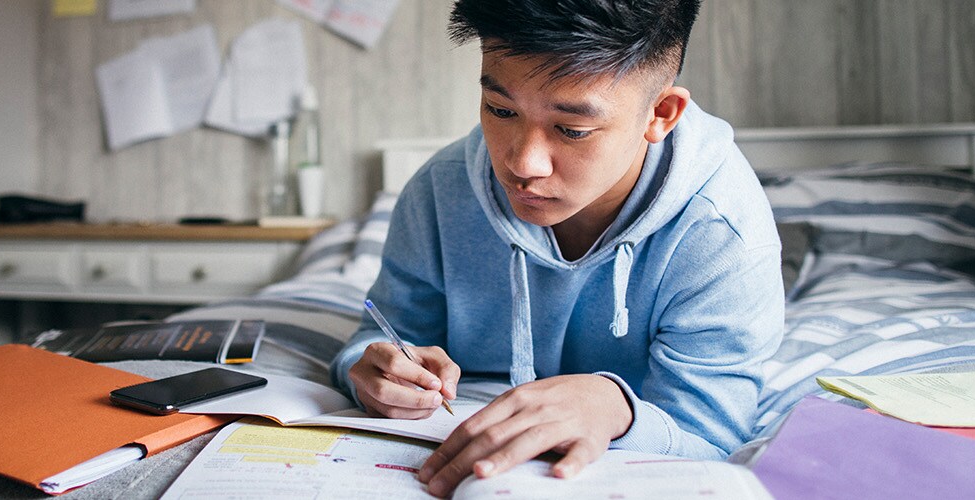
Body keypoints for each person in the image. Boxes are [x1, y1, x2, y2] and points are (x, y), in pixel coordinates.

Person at [329, 0, 783, 496]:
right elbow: (380, 338)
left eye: (573, 130)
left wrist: (618, 409)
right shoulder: (440, 191)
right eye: (500, 110)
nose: (524, 163)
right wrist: (370, 372)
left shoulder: (722, 231)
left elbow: (713, 434)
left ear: (660, 114)